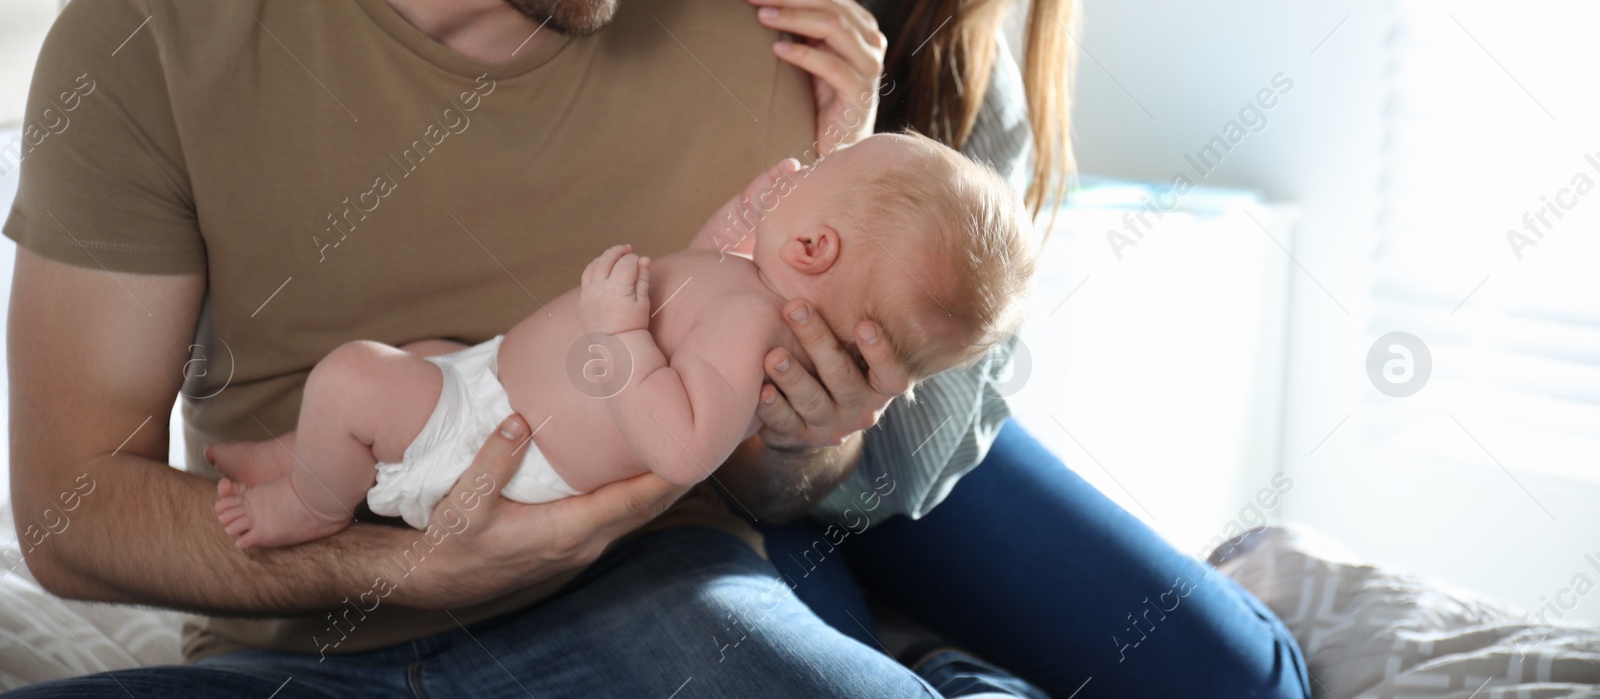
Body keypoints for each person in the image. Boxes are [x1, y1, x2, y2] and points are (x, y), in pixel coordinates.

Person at [218, 0, 1314, 697]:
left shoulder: (975, 87)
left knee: (1245, 677)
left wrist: (819, 425)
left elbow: (917, 470)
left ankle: (953, 663)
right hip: (686, 453)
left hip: (839, 468)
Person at [1, 0, 1054, 695]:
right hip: (305, 653)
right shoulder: (151, 38)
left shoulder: (768, 60)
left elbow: (774, 475)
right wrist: (400, 563)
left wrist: (805, 434)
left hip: (655, 601)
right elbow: (68, 513)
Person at [208, 134, 1034, 550]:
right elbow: (694, 304)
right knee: (410, 360)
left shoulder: (754, 328)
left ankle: (308, 506)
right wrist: (737, 228)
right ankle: (289, 456)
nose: (800, 168)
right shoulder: (748, 293)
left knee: (354, 379)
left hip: (505, 448)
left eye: (820, 168)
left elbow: (681, 445)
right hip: (492, 385)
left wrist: (619, 331)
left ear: (812, 248)